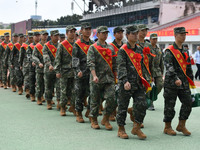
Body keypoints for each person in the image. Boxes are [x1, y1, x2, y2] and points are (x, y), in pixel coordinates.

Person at [116, 25, 149, 140]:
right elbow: (121, 67)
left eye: (136, 33)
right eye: (133, 34)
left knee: (142, 104)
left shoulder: (139, 49)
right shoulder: (123, 50)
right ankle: (121, 129)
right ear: (127, 35)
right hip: (126, 84)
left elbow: (142, 65)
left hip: (138, 82)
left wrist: (146, 78)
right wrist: (124, 81)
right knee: (123, 106)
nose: (135, 35)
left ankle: (137, 127)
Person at [163, 27, 194, 136]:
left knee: (188, 102)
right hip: (171, 83)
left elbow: (188, 66)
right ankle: (167, 127)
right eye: (181, 34)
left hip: (184, 83)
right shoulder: (169, 50)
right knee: (169, 106)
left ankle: (181, 125)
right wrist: (176, 78)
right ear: (175, 35)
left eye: (184, 34)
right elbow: (168, 66)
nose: (183, 36)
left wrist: (191, 80)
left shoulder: (185, 50)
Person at [87, 26, 117, 130]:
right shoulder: (93, 47)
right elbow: (91, 63)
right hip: (97, 78)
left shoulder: (111, 48)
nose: (105, 35)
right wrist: (94, 75)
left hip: (109, 78)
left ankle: (106, 118)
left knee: (112, 98)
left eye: (106, 33)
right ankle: (94, 119)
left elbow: (114, 63)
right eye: (103, 33)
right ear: (98, 34)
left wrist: (116, 77)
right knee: (95, 100)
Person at [72, 22, 94, 122]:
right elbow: (75, 59)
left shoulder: (93, 44)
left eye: (89, 29)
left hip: (91, 73)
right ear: (81, 31)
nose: (88, 31)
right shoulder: (77, 44)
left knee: (92, 93)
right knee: (79, 93)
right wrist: (77, 70)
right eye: (86, 29)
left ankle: (89, 110)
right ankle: (79, 113)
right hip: (81, 73)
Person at [54, 25, 76, 116]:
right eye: (70, 32)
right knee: (64, 91)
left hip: (74, 71)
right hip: (64, 71)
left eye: (74, 32)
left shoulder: (76, 44)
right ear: (67, 33)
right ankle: (63, 107)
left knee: (75, 90)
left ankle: (73, 106)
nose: (73, 33)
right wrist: (57, 71)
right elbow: (58, 59)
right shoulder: (62, 45)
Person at [109, 26, 124, 121]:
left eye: (121, 32)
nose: (120, 34)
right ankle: (111, 112)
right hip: (112, 72)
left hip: (123, 73)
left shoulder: (125, 46)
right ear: (114, 35)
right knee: (113, 94)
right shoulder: (110, 46)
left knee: (121, 94)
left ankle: (116, 111)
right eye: (118, 33)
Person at [43, 30, 60, 110]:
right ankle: (49, 102)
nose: (57, 37)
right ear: (51, 36)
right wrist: (49, 65)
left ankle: (59, 102)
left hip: (58, 69)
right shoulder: (46, 46)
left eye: (58, 35)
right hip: (49, 70)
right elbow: (45, 56)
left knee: (59, 86)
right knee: (49, 87)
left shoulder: (60, 45)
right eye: (55, 35)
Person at [32, 30, 48, 105]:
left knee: (47, 84)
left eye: (46, 35)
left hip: (48, 68)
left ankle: (45, 96)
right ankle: (38, 97)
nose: (45, 36)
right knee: (39, 83)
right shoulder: (37, 46)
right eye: (43, 35)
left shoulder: (49, 45)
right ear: (41, 36)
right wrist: (38, 63)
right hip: (40, 68)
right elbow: (34, 56)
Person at [149, 33, 164, 110]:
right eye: (153, 39)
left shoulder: (158, 49)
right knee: (149, 87)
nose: (155, 40)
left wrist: (162, 72)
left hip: (157, 70)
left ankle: (151, 99)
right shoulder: (148, 48)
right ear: (150, 39)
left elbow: (161, 61)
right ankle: (149, 102)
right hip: (149, 71)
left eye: (156, 39)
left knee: (160, 85)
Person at [19, 31, 34, 98]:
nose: (31, 39)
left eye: (32, 37)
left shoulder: (36, 45)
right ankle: (27, 90)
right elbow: (21, 56)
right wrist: (20, 64)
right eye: (30, 37)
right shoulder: (24, 45)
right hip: (26, 64)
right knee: (27, 78)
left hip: (34, 64)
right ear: (27, 37)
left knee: (33, 78)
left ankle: (32, 91)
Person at [27, 32, 41, 101]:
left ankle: (40, 95)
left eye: (38, 36)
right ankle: (32, 94)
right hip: (32, 66)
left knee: (41, 82)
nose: (37, 37)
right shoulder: (30, 46)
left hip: (40, 66)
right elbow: (29, 56)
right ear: (33, 37)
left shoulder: (43, 46)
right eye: (36, 36)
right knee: (32, 81)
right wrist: (32, 61)